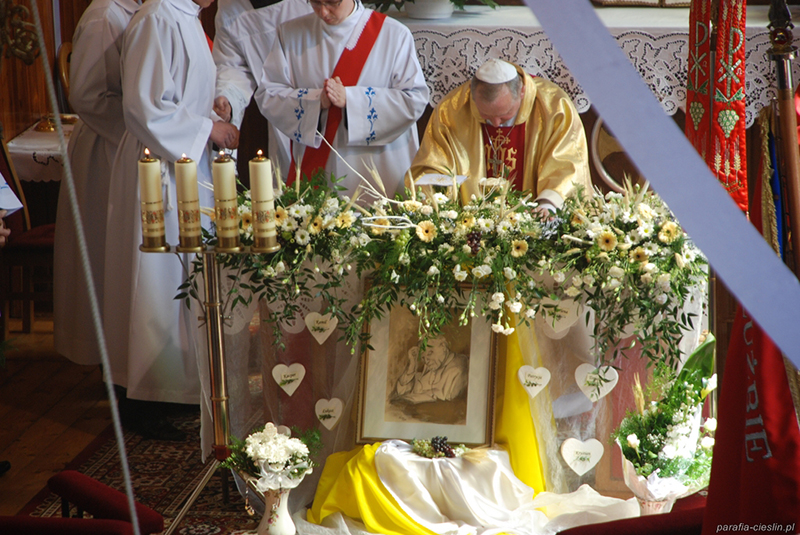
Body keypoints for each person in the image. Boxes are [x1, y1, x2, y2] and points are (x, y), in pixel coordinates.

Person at [104, 0, 239, 440]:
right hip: (157, 166)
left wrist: (212, 111)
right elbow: (144, 108)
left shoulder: (185, 15)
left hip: (183, 162)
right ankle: (143, 398)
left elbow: (180, 96)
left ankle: (174, 388)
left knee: (179, 283)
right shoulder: (158, 17)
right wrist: (207, 129)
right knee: (155, 286)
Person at [254, 0, 429, 196]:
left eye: (331, 3)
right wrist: (316, 101)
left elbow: (414, 99)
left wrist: (352, 100)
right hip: (318, 166)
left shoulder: (394, 34)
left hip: (379, 169)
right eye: (315, 3)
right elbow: (268, 94)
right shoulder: (291, 34)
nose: (323, 12)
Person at [53, 0, 139, 368]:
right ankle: (109, 355)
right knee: (105, 253)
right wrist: (140, 129)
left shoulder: (139, 11)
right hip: (106, 147)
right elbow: (86, 95)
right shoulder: (104, 16)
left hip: (126, 146)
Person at [408, 58, 592, 209]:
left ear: (522, 92)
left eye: (505, 115)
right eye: (486, 116)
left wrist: (548, 203)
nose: (496, 124)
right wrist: (439, 199)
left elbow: (567, 166)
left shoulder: (554, 107)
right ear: (473, 97)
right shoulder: (451, 109)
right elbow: (432, 166)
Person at [212, 0, 312, 174]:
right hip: (280, 118)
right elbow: (233, 67)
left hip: (325, 106)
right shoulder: (230, 7)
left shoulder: (310, 6)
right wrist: (227, 99)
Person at [394, 336, 468, 404]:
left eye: (430, 353)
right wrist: (411, 367)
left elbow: (447, 402)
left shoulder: (459, 368)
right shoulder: (430, 366)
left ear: (443, 347)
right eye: (423, 357)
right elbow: (401, 392)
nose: (426, 361)